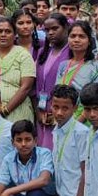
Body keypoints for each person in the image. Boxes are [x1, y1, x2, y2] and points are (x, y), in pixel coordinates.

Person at [47, 84, 90, 196]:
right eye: (56, 107)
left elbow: (85, 174)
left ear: (74, 108)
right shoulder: (56, 130)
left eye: (65, 108)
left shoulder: (81, 133)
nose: (59, 113)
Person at [33, 15, 71, 144]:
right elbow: (36, 84)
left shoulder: (71, 53)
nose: (50, 33)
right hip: (42, 111)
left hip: (61, 112)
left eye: (55, 28)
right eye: (46, 30)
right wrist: (38, 110)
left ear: (66, 27)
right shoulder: (43, 52)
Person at [53, 19, 98, 99]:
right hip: (61, 110)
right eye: (73, 36)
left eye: (81, 36)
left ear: (89, 41)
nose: (76, 40)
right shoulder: (63, 65)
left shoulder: (95, 67)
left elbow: (95, 97)